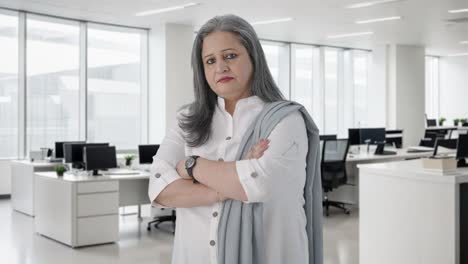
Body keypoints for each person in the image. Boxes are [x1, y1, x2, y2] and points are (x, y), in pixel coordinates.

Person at [148, 14, 323, 264]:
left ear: (253, 56)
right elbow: (160, 191)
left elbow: (259, 185)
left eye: (230, 56)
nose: (220, 67)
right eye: (210, 61)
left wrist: (191, 166)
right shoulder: (186, 119)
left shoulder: (285, 119)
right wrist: (229, 185)